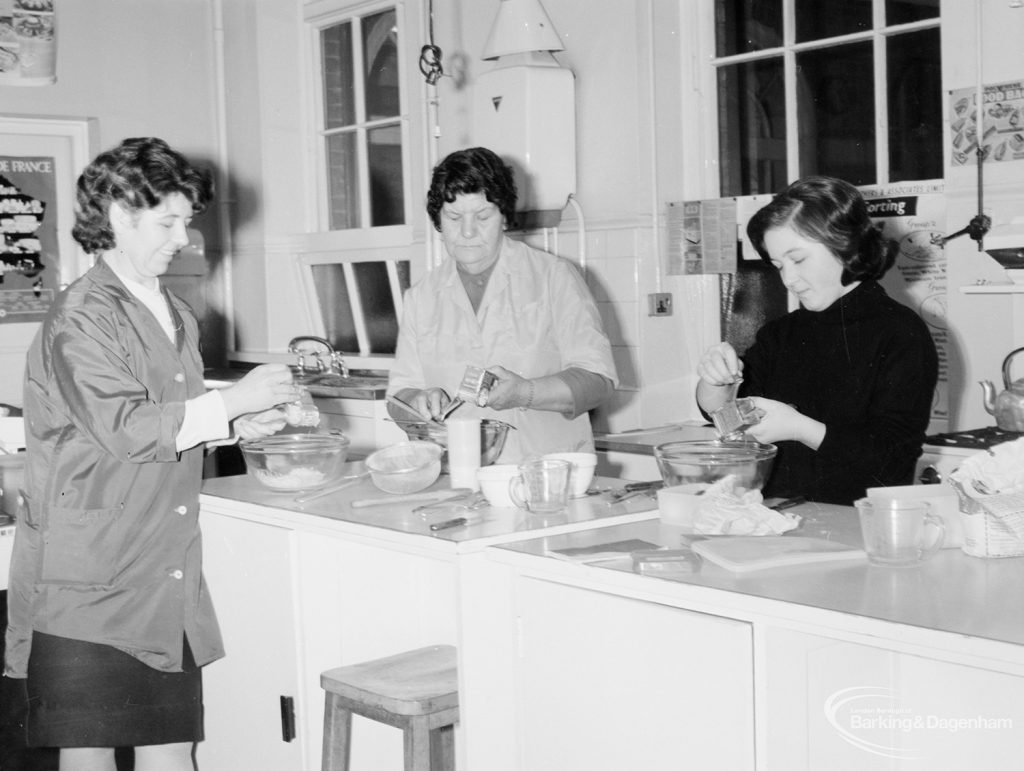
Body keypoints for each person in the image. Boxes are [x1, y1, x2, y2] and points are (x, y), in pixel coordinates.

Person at [4, 137, 299, 770]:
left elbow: (176, 418)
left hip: (160, 571)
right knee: (91, 762)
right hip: (88, 580)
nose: (184, 237)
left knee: (173, 757)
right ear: (116, 214)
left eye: (186, 221)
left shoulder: (176, 313)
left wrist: (242, 421)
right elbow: (128, 428)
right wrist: (233, 399)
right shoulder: (79, 316)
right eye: (168, 221)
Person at [696, 176, 938, 505]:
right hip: (778, 520)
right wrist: (717, 385)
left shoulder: (900, 332)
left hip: (859, 529)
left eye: (798, 260)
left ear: (845, 245)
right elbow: (727, 420)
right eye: (779, 265)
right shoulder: (781, 333)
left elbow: (893, 458)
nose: (788, 279)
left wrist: (801, 428)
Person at [387, 147, 617, 460]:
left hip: (546, 476)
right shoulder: (422, 296)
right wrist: (417, 399)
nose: (468, 232)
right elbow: (397, 397)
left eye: (483, 216)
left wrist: (526, 393)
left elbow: (598, 381)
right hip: (458, 477)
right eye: (454, 217)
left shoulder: (554, 277)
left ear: (504, 216)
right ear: (438, 221)